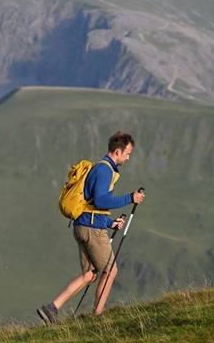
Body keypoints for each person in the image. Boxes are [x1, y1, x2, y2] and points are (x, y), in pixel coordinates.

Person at [38, 131, 145, 324]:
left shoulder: (98, 168)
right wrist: (130, 198)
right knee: (110, 271)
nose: (128, 158)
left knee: (89, 275)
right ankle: (98, 317)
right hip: (91, 229)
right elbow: (101, 200)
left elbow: (92, 206)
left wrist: (109, 223)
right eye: (128, 153)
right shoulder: (105, 170)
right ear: (118, 151)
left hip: (83, 226)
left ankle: (51, 308)